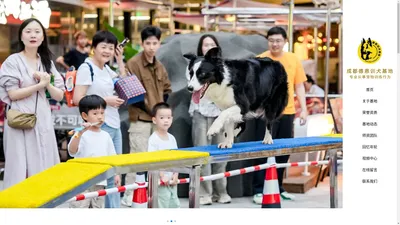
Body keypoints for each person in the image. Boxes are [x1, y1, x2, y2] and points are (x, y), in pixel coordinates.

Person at [0, 18, 65, 189]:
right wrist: (39, 85)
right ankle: (15, 208)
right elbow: (12, 94)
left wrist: (47, 83)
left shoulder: (47, 62)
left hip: (41, 119)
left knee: (43, 161)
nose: (33, 35)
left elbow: (58, 95)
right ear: (21, 36)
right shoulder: (13, 61)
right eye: (28, 31)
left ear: (43, 37)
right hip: (19, 120)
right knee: (18, 166)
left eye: (37, 32)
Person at [250, 26, 308, 204]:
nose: (275, 44)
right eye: (271, 40)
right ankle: (259, 190)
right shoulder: (260, 59)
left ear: (285, 42)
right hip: (265, 113)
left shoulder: (293, 59)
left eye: (278, 41)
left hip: (287, 111)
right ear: (267, 41)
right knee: (262, 150)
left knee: (283, 151)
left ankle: (279, 187)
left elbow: (299, 85)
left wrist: (303, 108)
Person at [73, 30, 126, 208]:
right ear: (94, 48)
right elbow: (77, 99)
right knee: (104, 178)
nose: (107, 51)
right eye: (103, 47)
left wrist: (119, 61)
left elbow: (125, 84)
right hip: (97, 128)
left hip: (113, 124)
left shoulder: (106, 69)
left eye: (111, 48)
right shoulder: (86, 68)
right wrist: (106, 101)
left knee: (115, 175)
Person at [122, 25, 172, 206]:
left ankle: (152, 192)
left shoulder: (160, 66)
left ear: (159, 44)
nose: (151, 47)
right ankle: (129, 194)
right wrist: (153, 112)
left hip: (156, 120)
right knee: (137, 157)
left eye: (155, 43)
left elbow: (167, 89)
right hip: (141, 119)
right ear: (142, 43)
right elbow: (131, 95)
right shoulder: (133, 64)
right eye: (148, 43)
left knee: (157, 157)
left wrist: (160, 112)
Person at [188, 34, 231, 205]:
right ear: (201, 47)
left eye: (212, 44)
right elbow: (193, 86)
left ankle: (222, 192)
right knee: (202, 154)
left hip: (221, 113)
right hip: (200, 112)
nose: (208, 47)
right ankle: (205, 194)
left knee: (222, 154)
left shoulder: (224, 66)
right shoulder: (193, 65)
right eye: (205, 44)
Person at [68, 95, 121, 208]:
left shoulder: (106, 136)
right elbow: (72, 151)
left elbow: (112, 157)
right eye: (95, 114)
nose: (100, 117)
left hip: (100, 181)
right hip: (81, 181)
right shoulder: (81, 134)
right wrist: (79, 134)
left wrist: (116, 174)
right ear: (84, 116)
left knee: (97, 208)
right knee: (79, 208)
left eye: (102, 113)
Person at [147, 102, 180, 208]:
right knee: (162, 206)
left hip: (171, 180)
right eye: (162, 117)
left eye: (169, 117)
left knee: (174, 204)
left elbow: (177, 158)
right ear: (154, 120)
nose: (166, 120)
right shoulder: (153, 139)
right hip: (158, 181)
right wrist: (162, 176)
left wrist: (176, 175)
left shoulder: (172, 138)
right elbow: (153, 160)